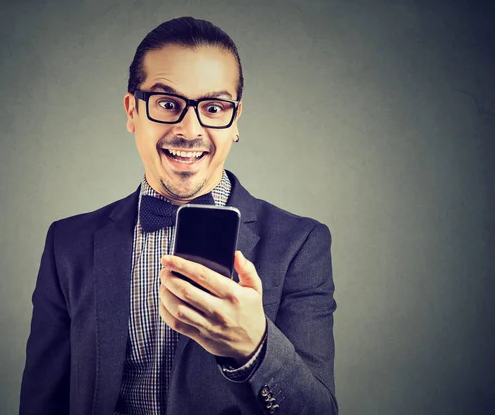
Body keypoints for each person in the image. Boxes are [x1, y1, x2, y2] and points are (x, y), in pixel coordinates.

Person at [20, 16, 338, 415]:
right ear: (132, 111)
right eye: (168, 103)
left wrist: (253, 348)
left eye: (214, 106)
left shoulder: (300, 244)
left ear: (235, 120)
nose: (190, 129)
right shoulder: (68, 243)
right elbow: (42, 401)